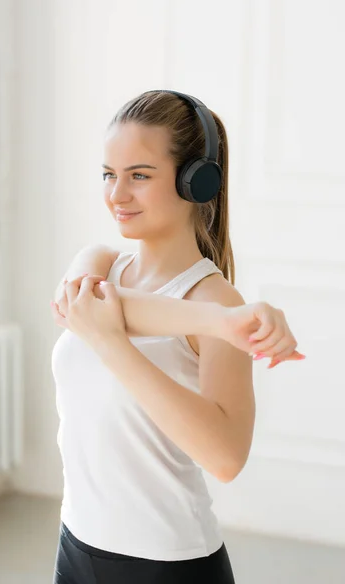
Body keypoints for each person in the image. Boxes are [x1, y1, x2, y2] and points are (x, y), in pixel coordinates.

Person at [50, 90, 305, 583]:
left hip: (168, 564)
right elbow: (80, 308)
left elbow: (226, 460)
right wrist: (221, 325)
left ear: (196, 182)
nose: (116, 195)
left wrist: (113, 345)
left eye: (139, 176)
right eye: (109, 174)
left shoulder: (216, 301)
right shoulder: (98, 265)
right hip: (76, 546)